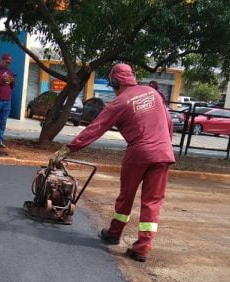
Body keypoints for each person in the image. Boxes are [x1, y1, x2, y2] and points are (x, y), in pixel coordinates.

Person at [50, 63, 174, 262]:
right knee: (152, 202)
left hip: (139, 152)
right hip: (164, 153)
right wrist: (164, 147)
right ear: (132, 77)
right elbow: (168, 123)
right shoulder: (153, 93)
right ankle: (142, 248)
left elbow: (95, 129)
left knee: (126, 196)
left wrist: (67, 149)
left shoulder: (120, 102)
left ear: (115, 82)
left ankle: (114, 234)